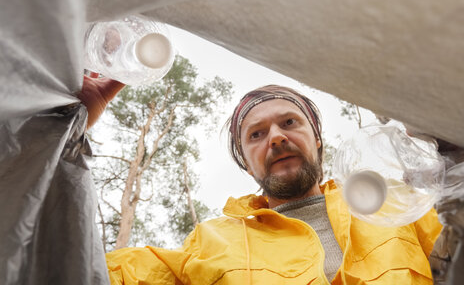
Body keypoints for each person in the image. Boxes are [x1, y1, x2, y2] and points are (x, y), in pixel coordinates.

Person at [79, 79, 442, 284]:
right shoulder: (207, 245)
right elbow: (74, 271)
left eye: (289, 123)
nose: (276, 138)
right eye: (256, 134)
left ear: (317, 139)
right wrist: (62, 129)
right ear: (247, 165)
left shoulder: (398, 206)